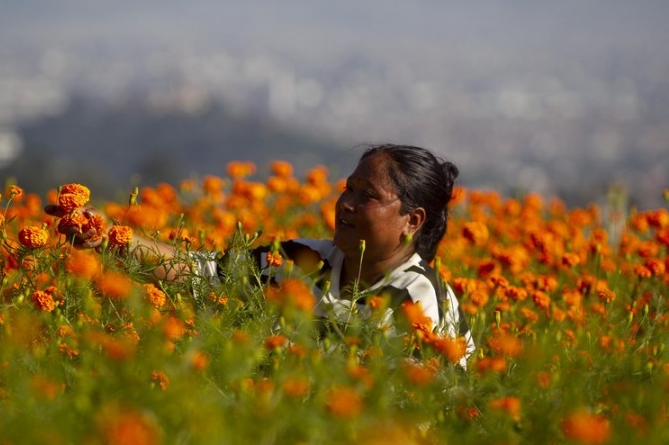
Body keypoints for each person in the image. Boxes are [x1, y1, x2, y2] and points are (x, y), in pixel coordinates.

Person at [47, 144, 474, 363]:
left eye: (368, 196)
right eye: (348, 188)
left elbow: (420, 412)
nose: (346, 203)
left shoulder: (421, 303)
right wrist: (108, 237)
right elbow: (202, 272)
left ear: (412, 221)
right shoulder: (300, 259)